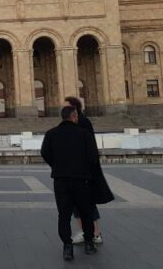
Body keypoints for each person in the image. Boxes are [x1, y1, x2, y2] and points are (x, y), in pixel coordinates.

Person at [41, 106, 99, 261]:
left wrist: (57, 166)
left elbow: (45, 153)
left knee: (64, 215)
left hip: (61, 181)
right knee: (86, 213)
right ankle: (89, 244)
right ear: (74, 117)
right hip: (82, 180)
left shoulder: (51, 134)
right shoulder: (85, 135)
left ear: (62, 117)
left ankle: (67, 247)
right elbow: (93, 157)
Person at [64, 96, 112, 245]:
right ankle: (86, 232)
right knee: (76, 204)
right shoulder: (71, 123)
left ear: (74, 108)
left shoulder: (83, 122)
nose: (63, 109)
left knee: (87, 203)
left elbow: (88, 149)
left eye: (66, 106)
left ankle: (96, 233)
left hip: (85, 171)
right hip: (74, 171)